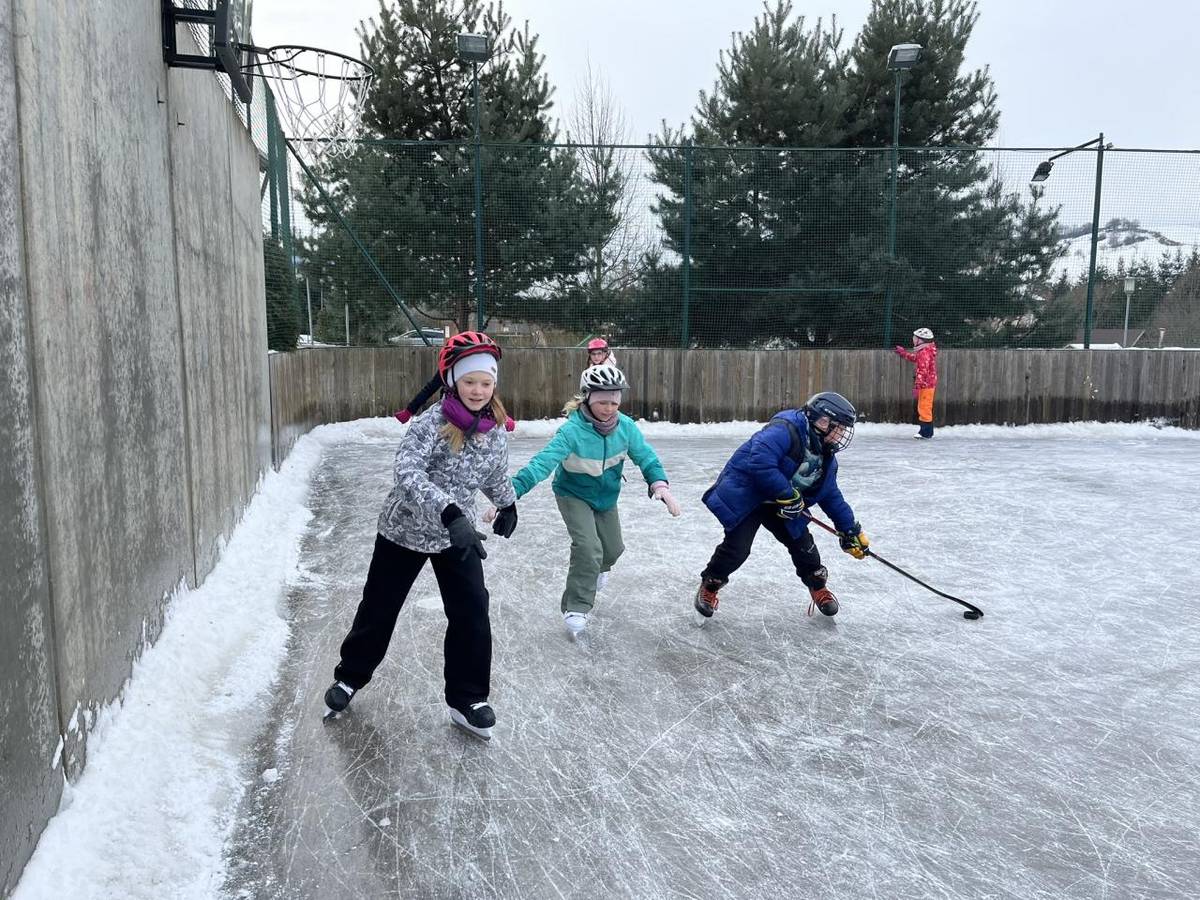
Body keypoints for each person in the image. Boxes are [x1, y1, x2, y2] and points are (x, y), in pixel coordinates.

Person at [324, 331, 518, 741]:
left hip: (455, 536)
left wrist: (507, 503)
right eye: (470, 382)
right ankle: (349, 677)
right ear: (452, 381)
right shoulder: (430, 423)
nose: (478, 390)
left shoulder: (494, 429)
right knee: (379, 607)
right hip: (405, 529)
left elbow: (496, 472)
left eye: (486, 382)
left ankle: (468, 699)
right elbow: (407, 475)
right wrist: (449, 511)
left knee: (471, 611)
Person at [509, 364, 680, 636]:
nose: (609, 408)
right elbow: (542, 463)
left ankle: (596, 570)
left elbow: (646, 456)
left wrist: (659, 483)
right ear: (587, 397)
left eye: (614, 402)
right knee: (588, 549)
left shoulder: (626, 428)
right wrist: (512, 491)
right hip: (573, 493)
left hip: (606, 496)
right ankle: (576, 607)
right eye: (602, 401)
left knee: (612, 550)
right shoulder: (571, 431)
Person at [695, 392, 868, 620]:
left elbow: (830, 494)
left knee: (802, 544)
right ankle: (711, 584)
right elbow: (760, 463)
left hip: (784, 503)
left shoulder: (825, 456)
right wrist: (788, 494)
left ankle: (817, 586)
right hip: (750, 495)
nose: (842, 434)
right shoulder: (784, 429)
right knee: (737, 548)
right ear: (823, 422)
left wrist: (851, 530)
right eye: (840, 428)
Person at [894, 327, 938, 439]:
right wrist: (904, 354)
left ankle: (926, 432)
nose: (913, 339)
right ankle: (926, 431)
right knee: (923, 407)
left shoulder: (924, 352)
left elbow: (923, 370)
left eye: (915, 338)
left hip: (926, 385)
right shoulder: (924, 351)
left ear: (921, 340)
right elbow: (916, 359)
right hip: (927, 384)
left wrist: (918, 386)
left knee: (924, 408)